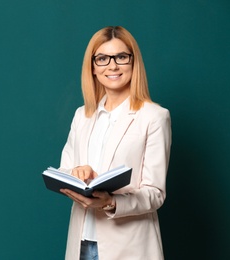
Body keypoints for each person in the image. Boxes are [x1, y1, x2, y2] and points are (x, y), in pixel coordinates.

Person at [58, 26, 172, 260]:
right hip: (82, 243)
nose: (112, 66)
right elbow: (64, 169)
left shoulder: (154, 117)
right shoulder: (83, 115)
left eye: (121, 57)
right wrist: (78, 173)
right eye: (102, 58)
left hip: (129, 246)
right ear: (92, 67)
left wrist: (111, 202)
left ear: (133, 63)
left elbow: (155, 193)